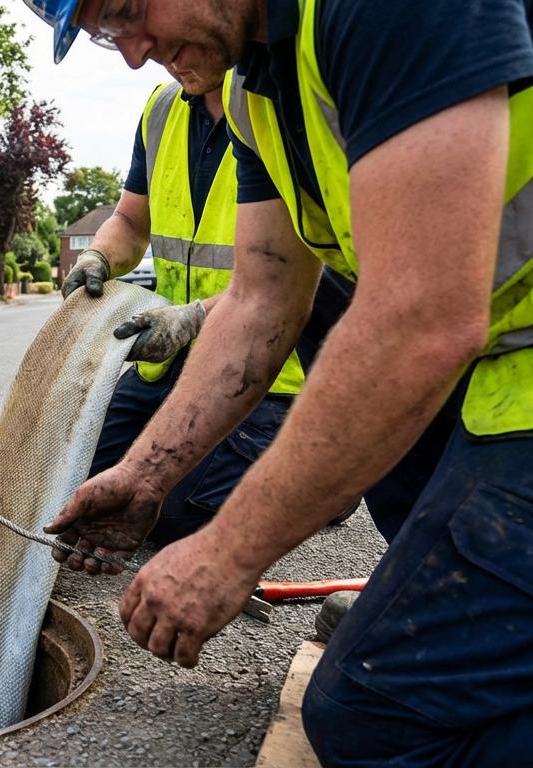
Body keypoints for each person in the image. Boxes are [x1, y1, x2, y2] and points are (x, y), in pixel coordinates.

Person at [24, 0, 533, 764]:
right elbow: (264, 297)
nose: (133, 54)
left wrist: (226, 555)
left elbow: (420, 319)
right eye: (104, 36)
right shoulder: (257, 82)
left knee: (372, 723)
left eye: (128, 11)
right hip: (530, 375)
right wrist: (146, 477)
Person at [65, 75, 354, 545]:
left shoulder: (284, 102)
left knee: (175, 520)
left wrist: (196, 317)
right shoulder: (162, 110)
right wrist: (98, 255)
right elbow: (130, 220)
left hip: (260, 371)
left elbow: (305, 271)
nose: (137, 55)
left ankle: (324, 476)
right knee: (83, 486)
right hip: (166, 365)